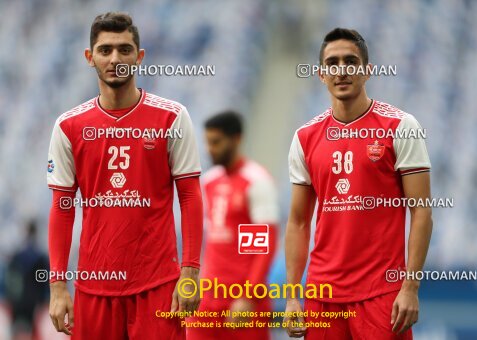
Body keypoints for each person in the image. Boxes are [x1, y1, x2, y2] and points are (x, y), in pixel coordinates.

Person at [46, 12, 203, 339]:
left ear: (140, 57)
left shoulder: (171, 118)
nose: (115, 58)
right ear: (90, 58)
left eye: (124, 49)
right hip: (93, 288)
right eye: (105, 50)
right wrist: (58, 286)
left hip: (158, 286)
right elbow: (62, 208)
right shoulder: (68, 127)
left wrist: (190, 270)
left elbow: (189, 196)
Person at [285, 28, 433, 339]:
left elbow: (421, 212)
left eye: (351, 62)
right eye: (332, 63)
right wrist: (292, 295)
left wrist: (410, 287)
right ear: (321, 75)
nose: (342, 71)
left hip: (381, 294)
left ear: (367, 72)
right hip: (321, 296)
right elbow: (298, 221)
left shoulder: (401, 126)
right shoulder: (304, 137)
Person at [187, 111, 279, 340]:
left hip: (241, 301)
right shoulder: (209, 181)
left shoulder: (254, 181)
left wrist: (247, 297)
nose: (210, 149)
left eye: (216, 142)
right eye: (208, 142)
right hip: (208, 297)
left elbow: (262, 246)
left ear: (236, 139)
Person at [5, 220, 49, 339]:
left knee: (14, 329)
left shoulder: (16, 254)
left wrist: (8, 295)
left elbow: (10, 276)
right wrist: (45, 298)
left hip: (17, 298)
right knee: (33, 329)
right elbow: (45, 279)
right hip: (34, 299)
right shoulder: (40, 256)